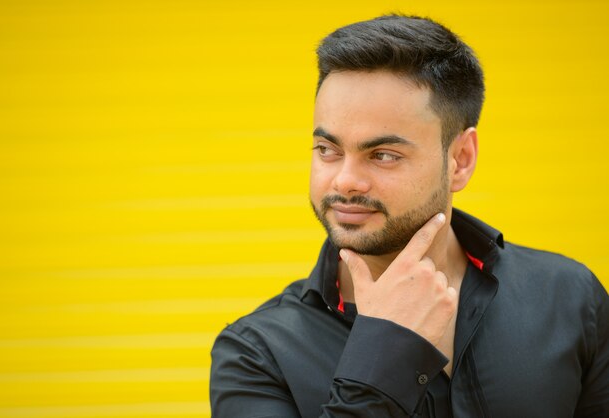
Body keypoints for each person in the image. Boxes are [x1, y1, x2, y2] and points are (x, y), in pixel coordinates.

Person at [210, 14, 609, 417]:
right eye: (328, 150)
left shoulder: (570, 299)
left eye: (383, 155)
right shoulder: (255, 355)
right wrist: (383, 356)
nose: (345, 181)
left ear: (460, 160)